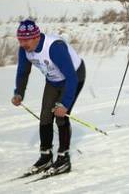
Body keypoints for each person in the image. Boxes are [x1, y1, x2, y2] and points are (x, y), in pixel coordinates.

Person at [11, 19, 85, 176]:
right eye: (20, 40)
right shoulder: (24, 50)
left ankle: (64, 158)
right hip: (53, 80)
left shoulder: (54, 48)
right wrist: (19, 93)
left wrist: (64, 104)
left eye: (26, 40)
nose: (23, 44)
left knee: (61, 116)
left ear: (36, 37)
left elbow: (71, 77)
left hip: (74, 76)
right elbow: (23, 72)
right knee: (45, 115)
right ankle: (45, 156)